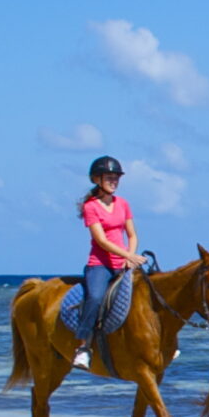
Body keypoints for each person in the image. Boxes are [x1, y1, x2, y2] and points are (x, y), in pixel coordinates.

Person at [73, 155, 138, 369]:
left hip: (123, 263)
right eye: (109, 177)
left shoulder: (123, 204)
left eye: (116, 177)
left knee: (148, 292)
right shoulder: (91, 207)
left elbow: (132, 234)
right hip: (100, 264)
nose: (114, 181)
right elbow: (100, 240)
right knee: (95, 297)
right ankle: (83, 347)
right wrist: (128, 255)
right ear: (96, 179)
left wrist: (131, 255)